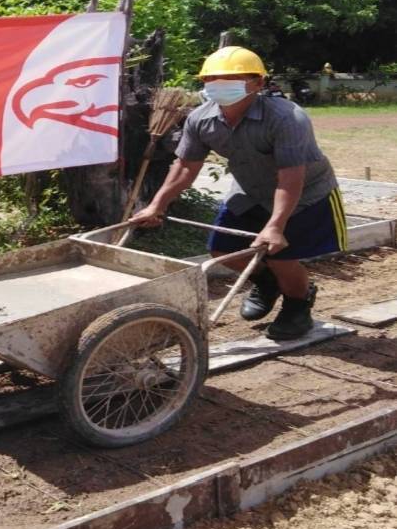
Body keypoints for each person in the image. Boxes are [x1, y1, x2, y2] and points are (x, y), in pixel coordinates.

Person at [130, 46, 347, 341]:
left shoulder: (286, 118)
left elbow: (291, 176)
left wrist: (275, 225)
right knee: (222, 250)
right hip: (249, 189)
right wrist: (156, 205)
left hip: (305, 192)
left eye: (233, 79)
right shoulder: (200, 119)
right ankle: (267, 282)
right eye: (212, 79)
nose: (220, 86)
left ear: (258, 83)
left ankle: (298, 304)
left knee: (282, 256)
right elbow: (185, 166)